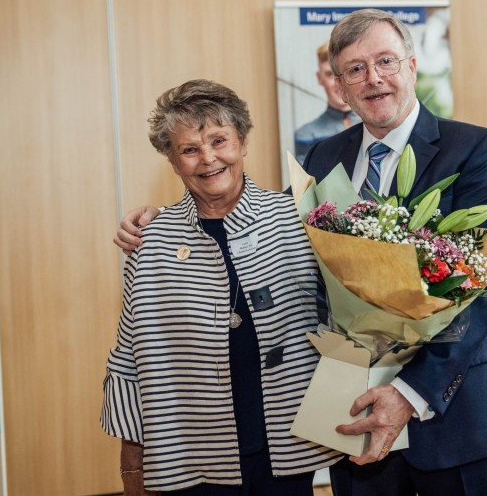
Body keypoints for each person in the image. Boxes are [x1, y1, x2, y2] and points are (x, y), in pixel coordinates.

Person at [115, 9, 487, 495]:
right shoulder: (324, 157)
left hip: (454, 416)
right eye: (354, 69)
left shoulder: (474, 148)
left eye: (386, 61)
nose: (373, 79)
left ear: (411, 66)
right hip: (352, 417)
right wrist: (160, 222)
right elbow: (251, 223)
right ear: (340, 87)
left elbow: (485, 287)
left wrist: (409, 394)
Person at [101, 79, 339, 495]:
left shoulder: (298, 220)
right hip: (192, 455)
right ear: (172, 162)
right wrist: (132, 469)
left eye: (219, 141)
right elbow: (130, 357)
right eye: (189, 149)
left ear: (242, 142)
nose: (208, 159)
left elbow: (346, 321)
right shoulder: (151, 241)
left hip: (290, 447)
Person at [293, 42, 361, 164]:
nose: (338, 83)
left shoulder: (375, 126)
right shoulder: (307, 135)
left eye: (343, 72)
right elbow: (306, 182)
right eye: (330, 74)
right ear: (319, 78)